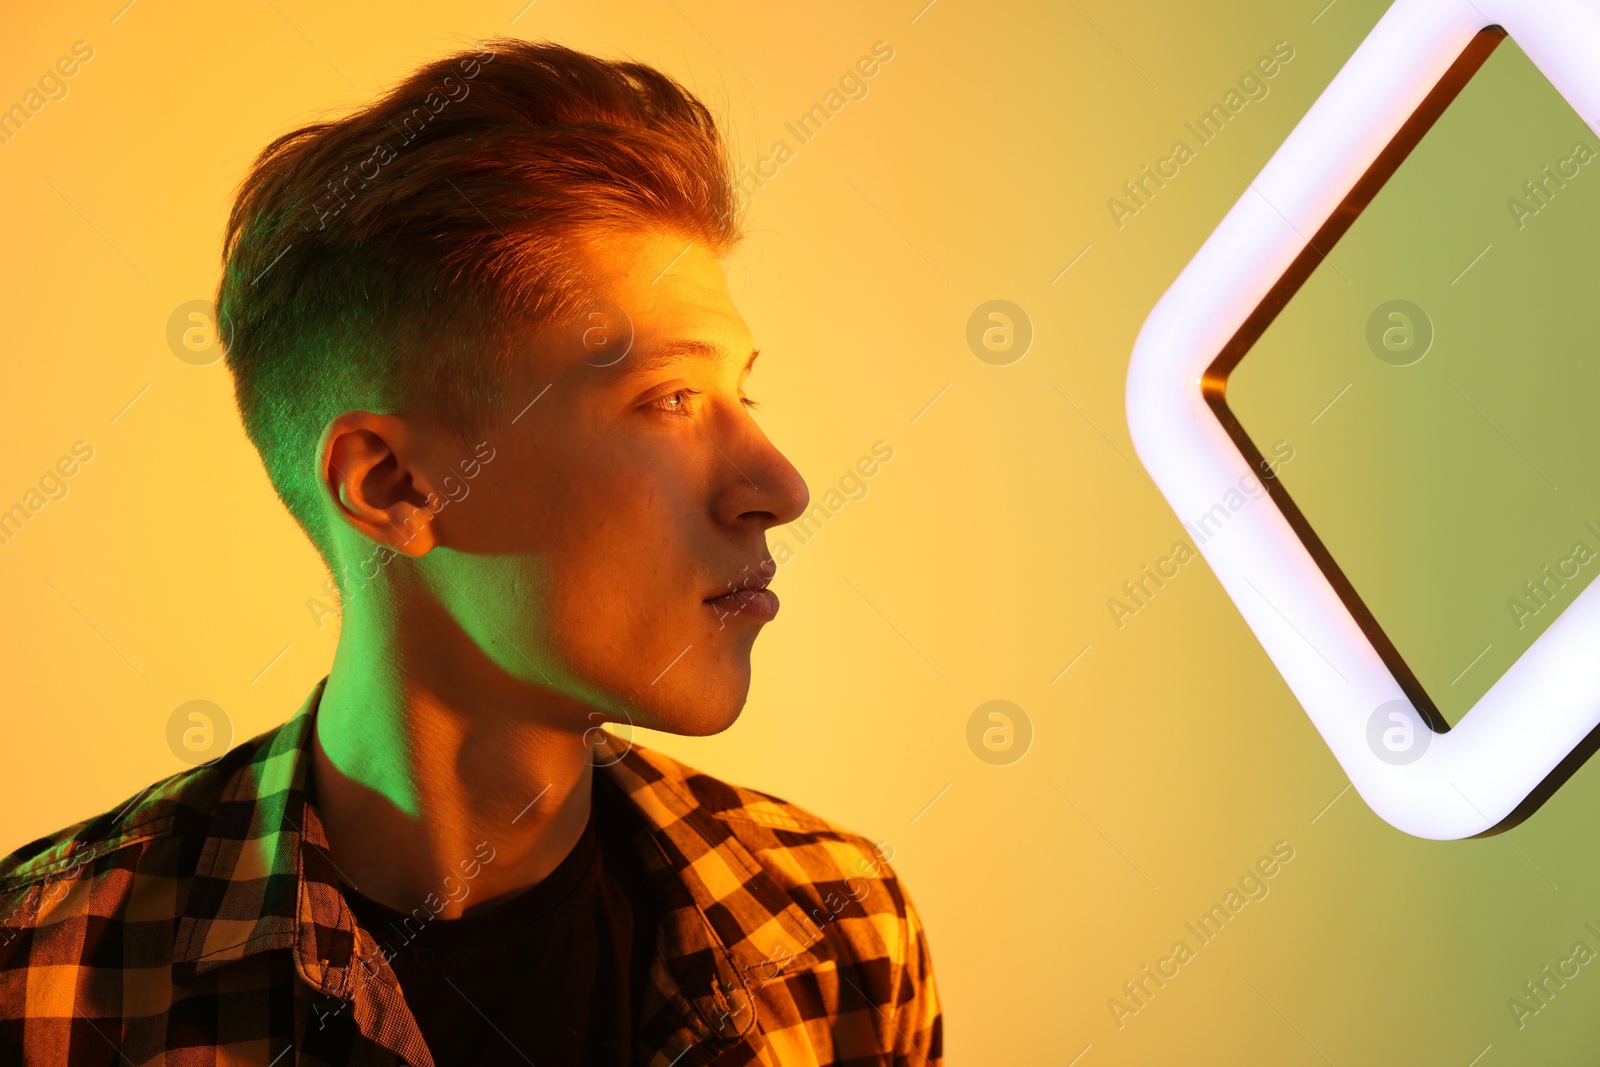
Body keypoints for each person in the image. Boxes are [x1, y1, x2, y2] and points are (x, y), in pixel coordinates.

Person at [0, 37, 942, 1066]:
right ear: (394, 487)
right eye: (670, 400)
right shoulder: (49, 979)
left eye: (740, 394)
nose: (780, 487)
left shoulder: (832, 929)